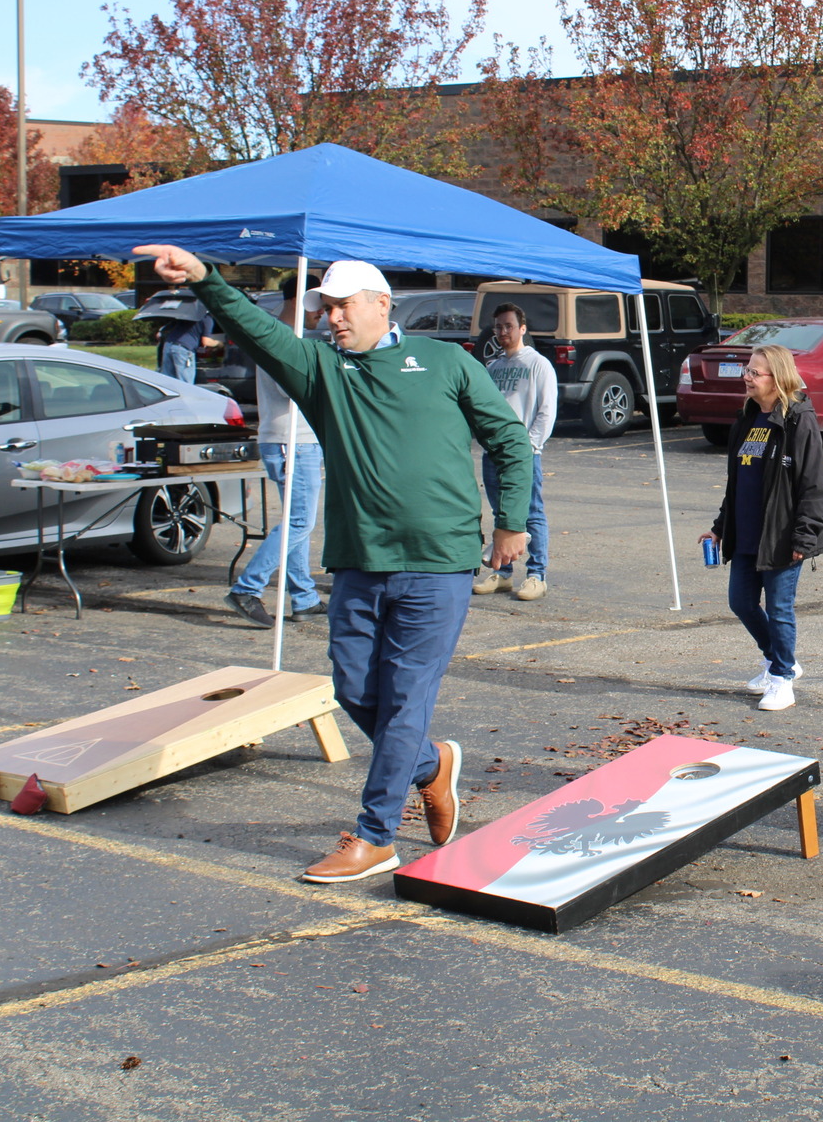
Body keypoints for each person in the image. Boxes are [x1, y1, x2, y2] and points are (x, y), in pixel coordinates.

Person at [135, 244, 533, 884]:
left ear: (382, 304)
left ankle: (376, 835)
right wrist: (208, 280)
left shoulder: (445, 361)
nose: (332, 318)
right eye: (325, 308)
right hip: (358, 561)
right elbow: (256, 329)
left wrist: (512, 521)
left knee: (404, 701)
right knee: (353, 687)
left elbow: (508, 440)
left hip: (439, 562)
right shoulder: (322, 370)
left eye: (344, 306)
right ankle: (431, 767)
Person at [698, 344, 823, 712]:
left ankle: (783, 681)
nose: (747, 377)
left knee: (779, 607)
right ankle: (778, 660)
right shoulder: (747, 418)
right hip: (745, 534)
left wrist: (806, 535)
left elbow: (814, 485)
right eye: (747, 371)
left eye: (755, 372)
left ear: (778, 378)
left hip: (783, 536)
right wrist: (719, 528)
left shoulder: (798, 420)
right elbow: (736, 483)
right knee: (740, 602)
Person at [225, 276, 326, 628]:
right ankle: (247, 588)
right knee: (300, 521)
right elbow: (293, 388)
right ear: (303, 300)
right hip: (291, 440)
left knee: (296, 522)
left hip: (290, 438)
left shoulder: (275, 331)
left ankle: (304, 597)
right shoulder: (283, 337)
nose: (324, 315)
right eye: (320, 306)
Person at [473, 303, 558, 601]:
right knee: (502, 514)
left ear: (522, 328)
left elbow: (546, 411)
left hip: (522, 455)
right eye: (498, 327)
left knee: (531, 512)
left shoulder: (537, 364)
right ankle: (503, 572)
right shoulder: (493, 368)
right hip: (494, 453)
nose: (503, 332)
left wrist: (530, 446)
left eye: (508, 326)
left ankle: (537, 575)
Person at [157, 308, 215, 384]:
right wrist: (219, 344)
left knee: (167, 381)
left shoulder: (186, 314)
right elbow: (206, 342)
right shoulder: (207, 318)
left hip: (168, 346)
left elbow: (159, 335)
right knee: (186, 383)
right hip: (183, 349)